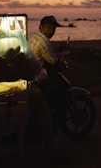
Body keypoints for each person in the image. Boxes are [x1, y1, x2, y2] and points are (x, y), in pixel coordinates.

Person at [28, 15, 71, 165]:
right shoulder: (44, 41)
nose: (51, 30)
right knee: (46, 115)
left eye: (53, 28)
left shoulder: (33, 36)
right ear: (41, 26)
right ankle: (51, 155)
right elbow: (52, 61)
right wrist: (60, 62)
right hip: (29, 82)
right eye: (49, 27)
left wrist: (57, 51)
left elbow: (46, 55)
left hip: (26, 74)